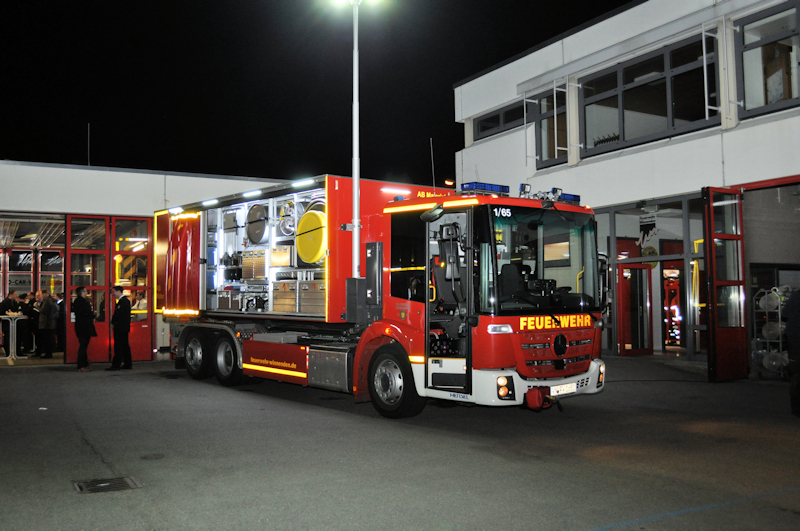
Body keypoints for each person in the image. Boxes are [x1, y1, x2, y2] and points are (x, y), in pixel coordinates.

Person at [107, 286, 131, 370]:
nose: (113, 293)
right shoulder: (124, 301)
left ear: (118, 291)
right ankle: (127, 363)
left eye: (114, 291)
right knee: (124, 346)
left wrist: (113, 322)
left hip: (120, 327)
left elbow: (118, 314)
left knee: (119, 346)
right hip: (123, 327)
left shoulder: (123, 302)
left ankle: (116, 365)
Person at [73, 287, 97, 372]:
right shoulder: (85, 303)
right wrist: (94, 315)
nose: (87, 292)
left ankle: (85, 363)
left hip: (78, 326)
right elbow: (89, 314)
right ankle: (81, 365)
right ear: (82, 293)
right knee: (83, 346)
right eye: (86, 291)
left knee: (82, 344)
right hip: (85, 327)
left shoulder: (76, 302)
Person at [785, 289, 800, 418]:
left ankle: (796, 408)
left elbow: (785, 314)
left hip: (795, 341)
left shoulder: (795, 296)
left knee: (796, 375)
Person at [37, 289, 57, 359]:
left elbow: (43, 310)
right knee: (50, 338)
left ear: (45, 294)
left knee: (47, 339)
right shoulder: (52, 300)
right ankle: (49, 352)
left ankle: (48, 353)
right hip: (51, 322)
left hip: (46, 323)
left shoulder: (47, 300)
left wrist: (37, 306)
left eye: (41, 294)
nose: (41, 296)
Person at [0, 290, 21, 356]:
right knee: (7, 338)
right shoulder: (5, 302)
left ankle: (16, 352)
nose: (16, 296)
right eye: (15, 294)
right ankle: (8, 352)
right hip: (7, 324)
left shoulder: (14, 302)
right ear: (11, 295)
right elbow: (2, 312)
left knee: (15, 337)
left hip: (13, 323)